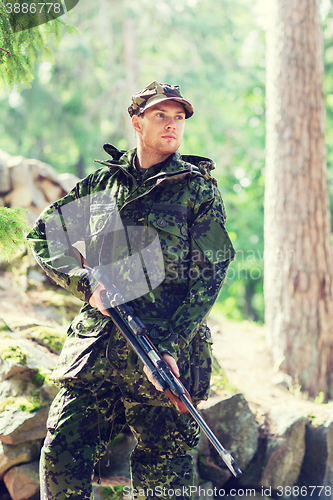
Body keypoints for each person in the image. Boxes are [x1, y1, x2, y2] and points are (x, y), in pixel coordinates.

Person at [26, 80, 235, 500]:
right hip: (97, 352)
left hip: (162, 358)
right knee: (61, 453)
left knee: (165, 477)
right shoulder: (103, 185)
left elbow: (210, 273)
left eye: (179, 118)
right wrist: (86, 286)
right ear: (137, 123)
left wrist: (173, 343)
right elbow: (43, 237)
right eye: (161, 115)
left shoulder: (196, 189)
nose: (172, 125)